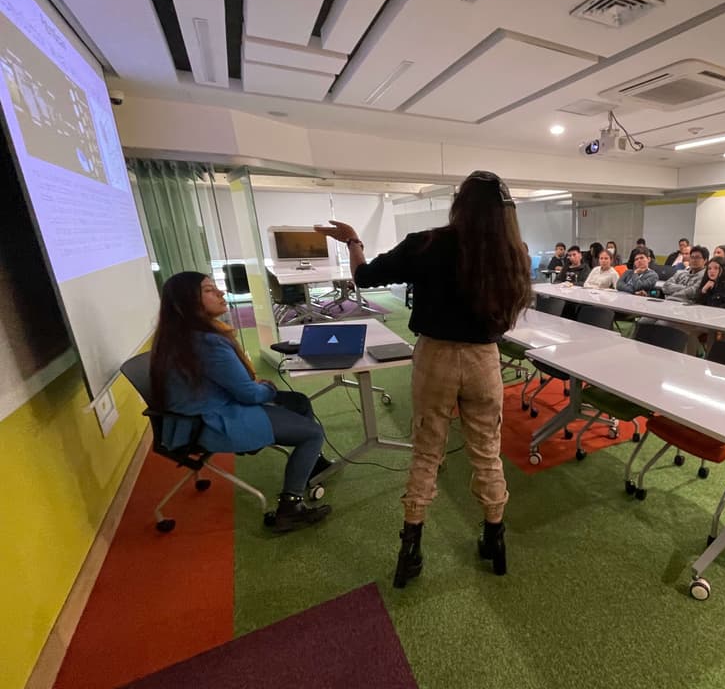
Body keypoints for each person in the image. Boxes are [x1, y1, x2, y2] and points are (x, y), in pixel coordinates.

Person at [317, 170, 532, 587]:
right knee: (487, 453)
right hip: (485, 361)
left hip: (434, 356)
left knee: (426, 452)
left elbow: (364, 278)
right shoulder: (514, 252)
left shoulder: (428, 243)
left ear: (459, 204)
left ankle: (411, 549)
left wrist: (353, 241)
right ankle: (494, 540)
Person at [150, 272, 332, 532]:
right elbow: (248, 394)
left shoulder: (181, 334)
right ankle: (290, 508)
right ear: (188, 301)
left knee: (298, 401)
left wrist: (259, 389)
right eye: (209, 290)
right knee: (313, 433)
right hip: (210, 422)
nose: (221, 293)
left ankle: (313, 464)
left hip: (198, 412)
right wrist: (267, 388)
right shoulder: (208, 342)